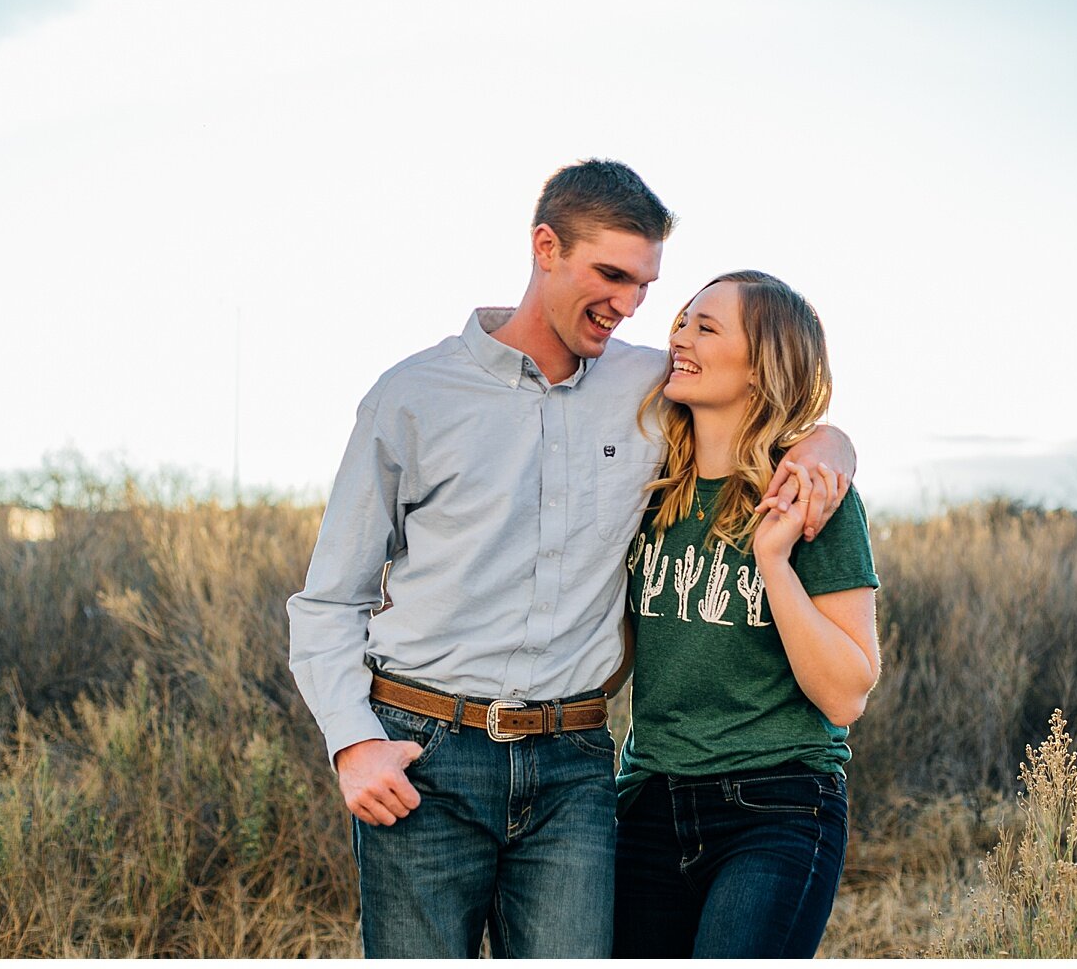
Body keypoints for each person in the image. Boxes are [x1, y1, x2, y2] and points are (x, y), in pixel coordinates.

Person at [287, 161, 857, 959]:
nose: (628, 306)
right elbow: (328, 599)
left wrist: (833, 447)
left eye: (645, 287)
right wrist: (352, 740)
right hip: (426, 754)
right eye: (611, 273)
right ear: (545, 246)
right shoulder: (412, 397)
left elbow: (773, 396)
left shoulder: (652, 386)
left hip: (575, 768)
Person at [611, 270, 880, 959]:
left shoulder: (812, 497)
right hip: (648, 801)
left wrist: (772, 559)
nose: (679, 335)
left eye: (707, 326)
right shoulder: (647, 489)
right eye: (681, 319)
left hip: (776, 806)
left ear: (762, 364)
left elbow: (847, 690)